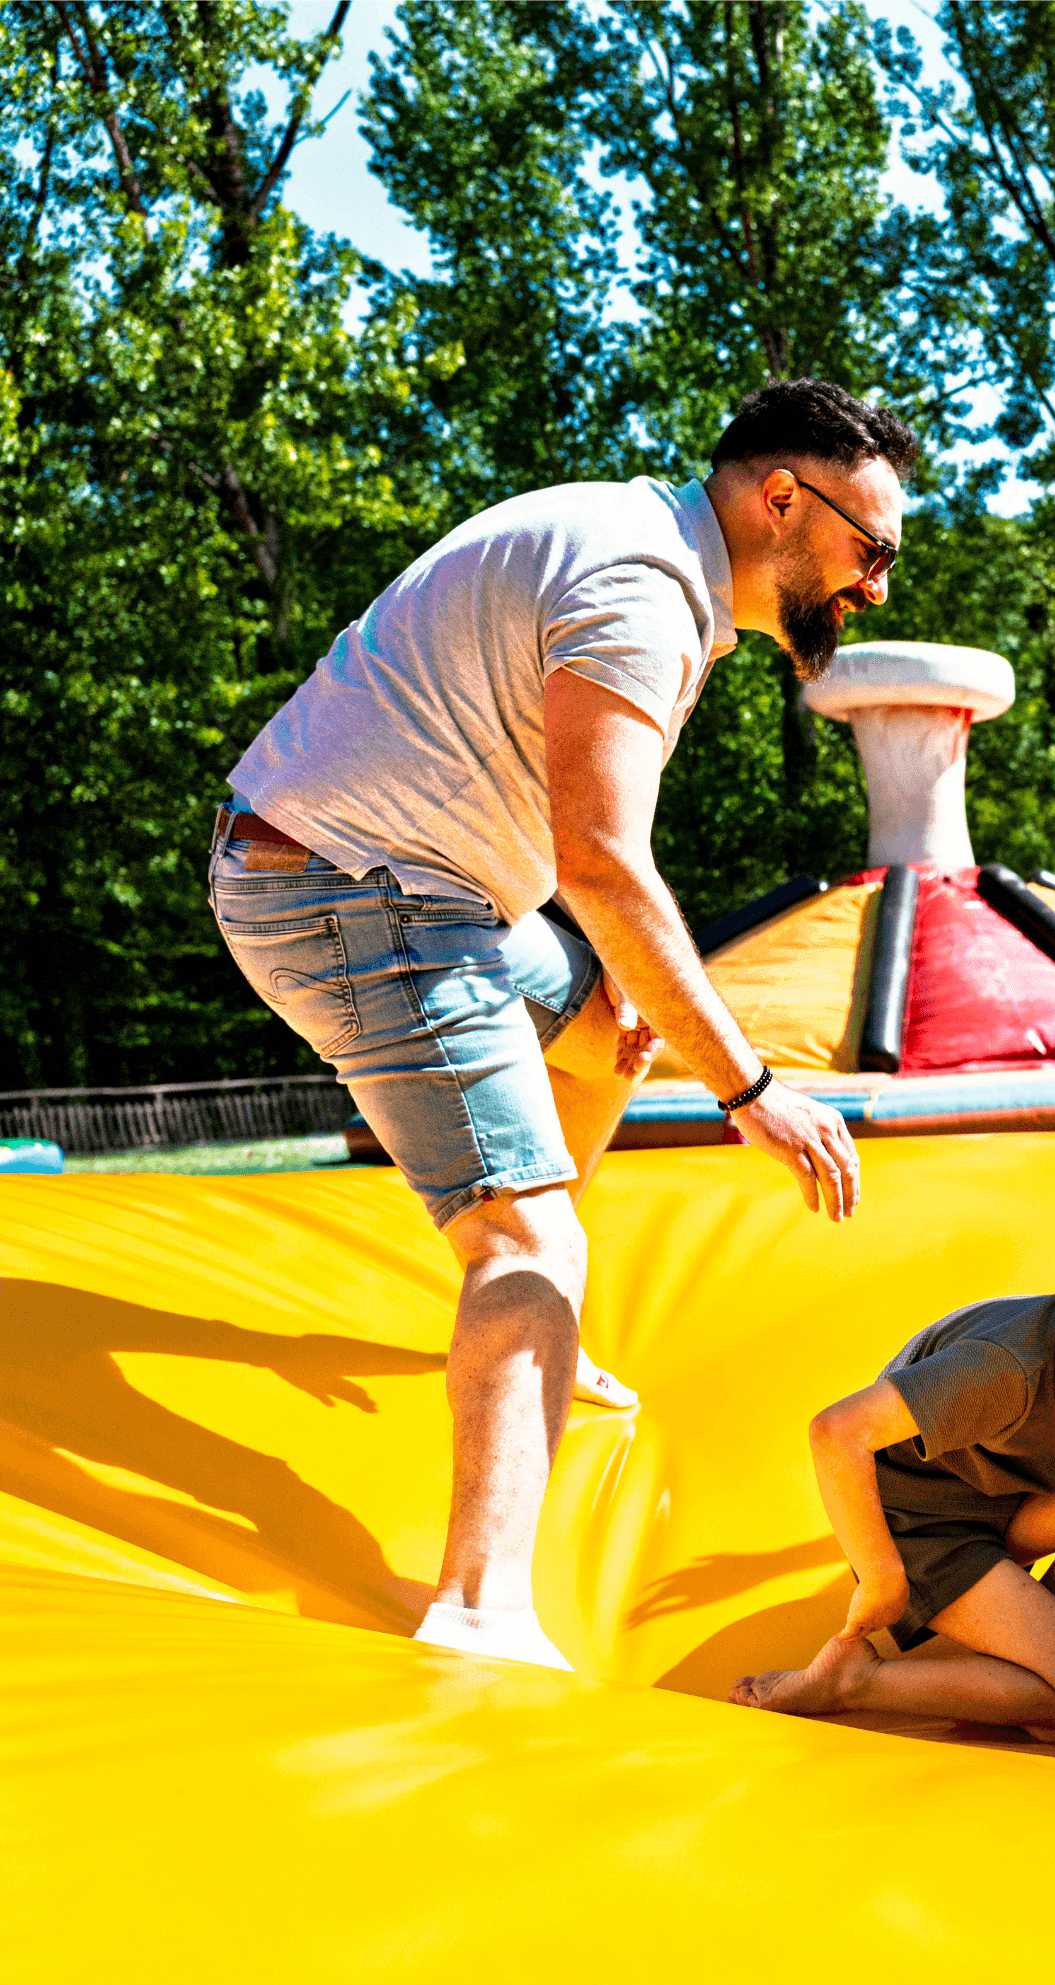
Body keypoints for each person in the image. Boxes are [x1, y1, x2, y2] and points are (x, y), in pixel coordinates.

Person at [209, 378, 906, 1671]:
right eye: (872, 548)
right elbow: (600, 860)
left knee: (612, 1028)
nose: (876, 585)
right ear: (781, 500)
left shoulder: (645, 549)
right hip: (359, 890)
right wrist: (753, 1090)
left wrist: (644, 997)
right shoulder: (641, 592)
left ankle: (546, 1348)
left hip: (427, 888)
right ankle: (477, 1603)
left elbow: (580, 862)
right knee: (529, 1241)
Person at [730, 1227, 1055, 1746]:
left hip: (996, 1505)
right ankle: (851, 1679)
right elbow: (837, 1432)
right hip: (922, 1530)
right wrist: (881, 1576)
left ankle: (1012, 1679)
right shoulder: (1006, 1370)